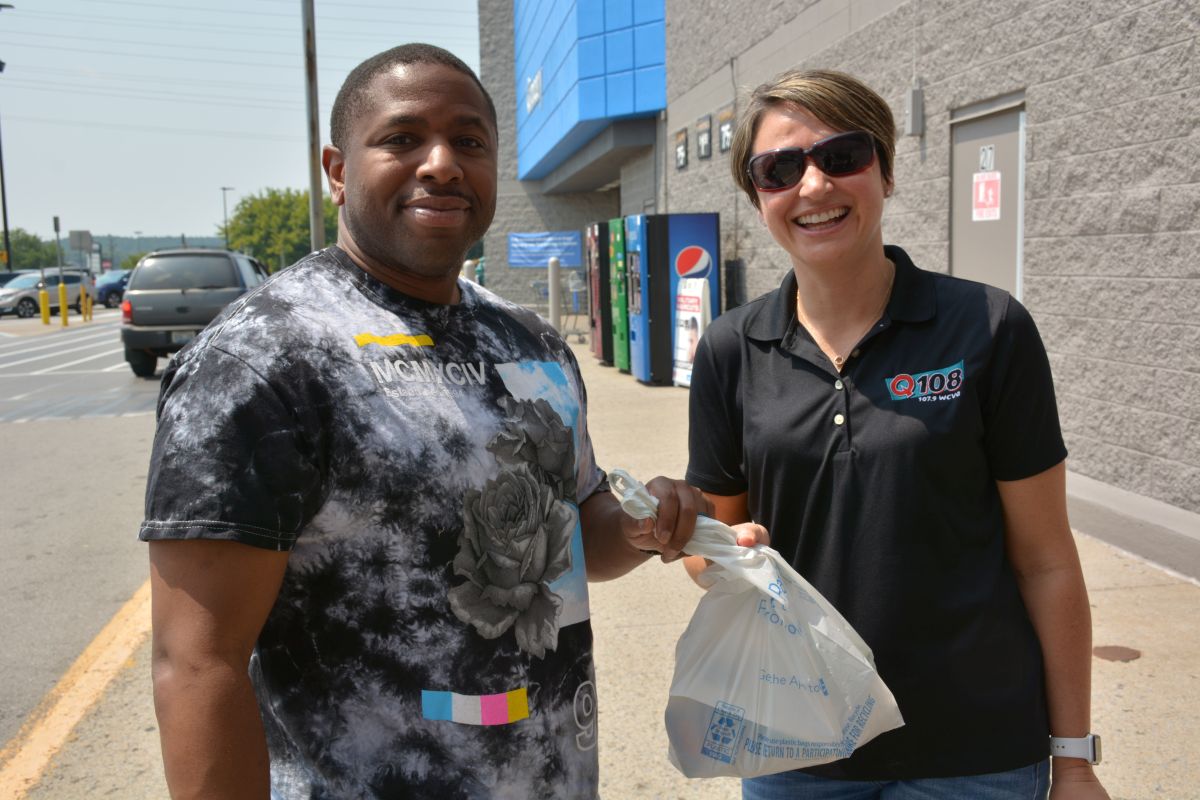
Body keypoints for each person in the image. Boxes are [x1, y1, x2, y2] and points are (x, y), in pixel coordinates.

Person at [141, 43, 730, 799]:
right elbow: (197, 663)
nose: (443, 164)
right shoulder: (264, 360)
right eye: (403, 138)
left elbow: (575, 535)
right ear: (337, 170)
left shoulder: (532, 343)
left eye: (469, 141)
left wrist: (644, 524)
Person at [684, 69, 1110, 800]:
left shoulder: (989, 328)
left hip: (975, 754)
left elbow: (1046, 561)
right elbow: (712, 547)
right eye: (779, 169)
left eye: (842, 156)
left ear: (884, 171)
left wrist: (1073, 760)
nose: (814, 185)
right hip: (798, 748)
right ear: (757, 197)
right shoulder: (730, 349)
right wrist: (720, 552)